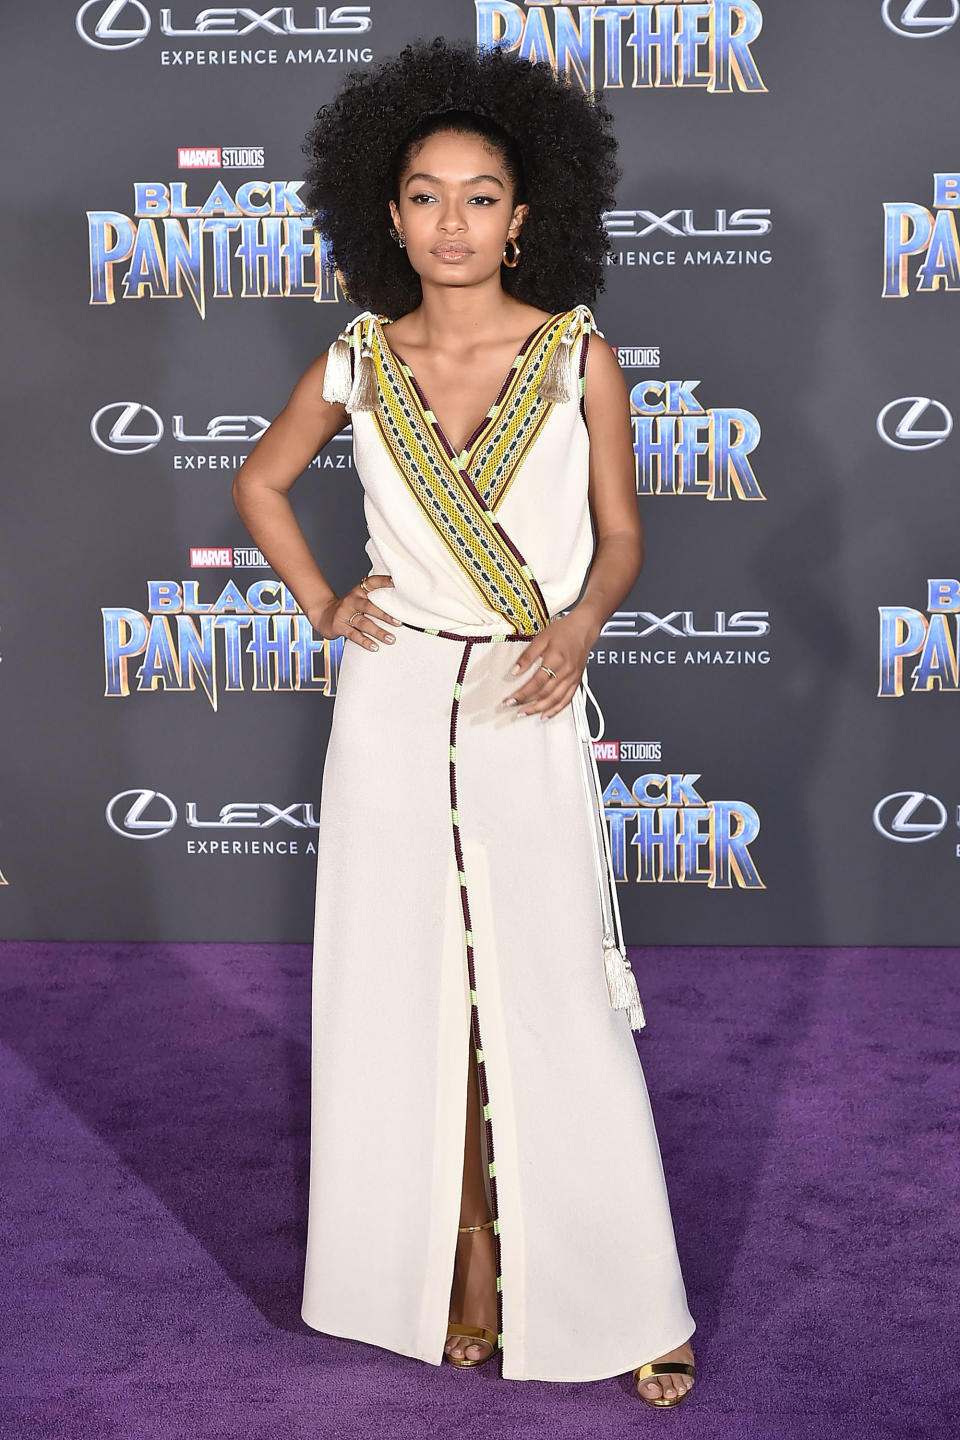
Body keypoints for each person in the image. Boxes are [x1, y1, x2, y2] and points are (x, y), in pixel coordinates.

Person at [232, 35, 697, 1408]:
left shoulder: (576, 358)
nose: (451, 221)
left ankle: (625, 1304)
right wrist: (326, 605)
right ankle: (453, 1286)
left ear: (525, 211)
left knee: (548, 1000)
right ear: (386, 212)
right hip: (388, 704)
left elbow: (620, 539)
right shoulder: (356, 358)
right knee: (400, 999)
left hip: (520, 694)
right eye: (425, 194)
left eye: (480, 195)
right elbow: (262, 486)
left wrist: (577, 626)